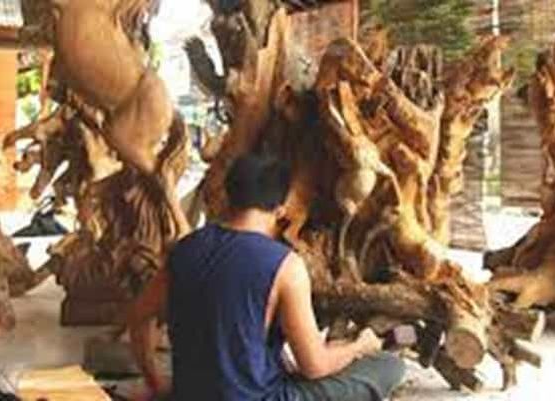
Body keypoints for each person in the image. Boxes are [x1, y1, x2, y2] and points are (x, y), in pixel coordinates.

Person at [132, 152, 405, 401]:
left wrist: (156, 383)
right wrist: (360, 346)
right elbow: (315, 366)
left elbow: (138, 318)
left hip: (190, 395)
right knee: (388, 366)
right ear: (281, 208)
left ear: (228, 195)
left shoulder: (185, 249)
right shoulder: (285, 265)